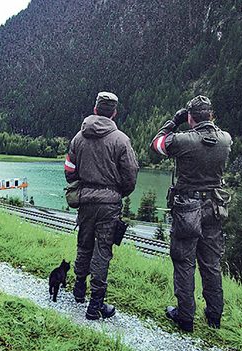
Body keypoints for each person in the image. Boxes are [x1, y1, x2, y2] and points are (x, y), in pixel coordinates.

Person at [151, 95, 232, 332]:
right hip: (214, 209)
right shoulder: (225, 140)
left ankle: (185, 317)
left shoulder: (183, 141)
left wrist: (174, 122)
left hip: (187, 208)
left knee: (185, 262)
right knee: (211, 263)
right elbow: (214, 135)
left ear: (190, 117)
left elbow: (156, 144)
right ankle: (214, 316)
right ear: (210, 116)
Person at [65, 92, 139, 320]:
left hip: (85, 200)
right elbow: (131, 174)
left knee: (84, 244)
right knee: (103, 250)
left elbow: (69, 171)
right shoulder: (121, 140)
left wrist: (84, 184)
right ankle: (95, 304)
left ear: (96, 109)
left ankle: (79, 289)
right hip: (110, 204)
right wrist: (118, 193)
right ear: (114, 112)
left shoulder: (79, 137)